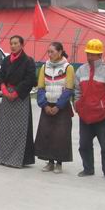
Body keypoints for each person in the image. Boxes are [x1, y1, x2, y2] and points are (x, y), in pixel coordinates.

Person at [74, 39, 105, 180]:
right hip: (85, 115)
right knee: (84, 145)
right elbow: (77, 90)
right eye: (88, 54)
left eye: (93, 54)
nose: (90, 57)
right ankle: (88, 169)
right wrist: (77, 105)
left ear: (100, 55)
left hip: (102, 116)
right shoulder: (81, 70)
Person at [0, 35, 36, 168]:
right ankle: (2, 156)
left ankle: (17, 159)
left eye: (16, 43)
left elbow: (30, 80)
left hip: (20, 97)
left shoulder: (28, 61)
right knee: (5, 128)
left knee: (19, 129)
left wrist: (16, 93)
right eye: (11, 43)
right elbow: (0, 76)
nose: (13, 46)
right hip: (7, 96)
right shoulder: (6, 60)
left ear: (22, 45)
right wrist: (4, 90)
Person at [34, 42, 75, 174]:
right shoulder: (44, 67)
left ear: (60, 52)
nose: (50, 54)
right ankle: (50, 162)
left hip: (61, 107)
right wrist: (44, 105)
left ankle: (59, 163)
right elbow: (40, 87)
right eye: (49, 52)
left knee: (60, 135)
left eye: (52, 52)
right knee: (46, 134)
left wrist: (58, 106)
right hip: (47, 105)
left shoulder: (68, 68)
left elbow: (69, 89)